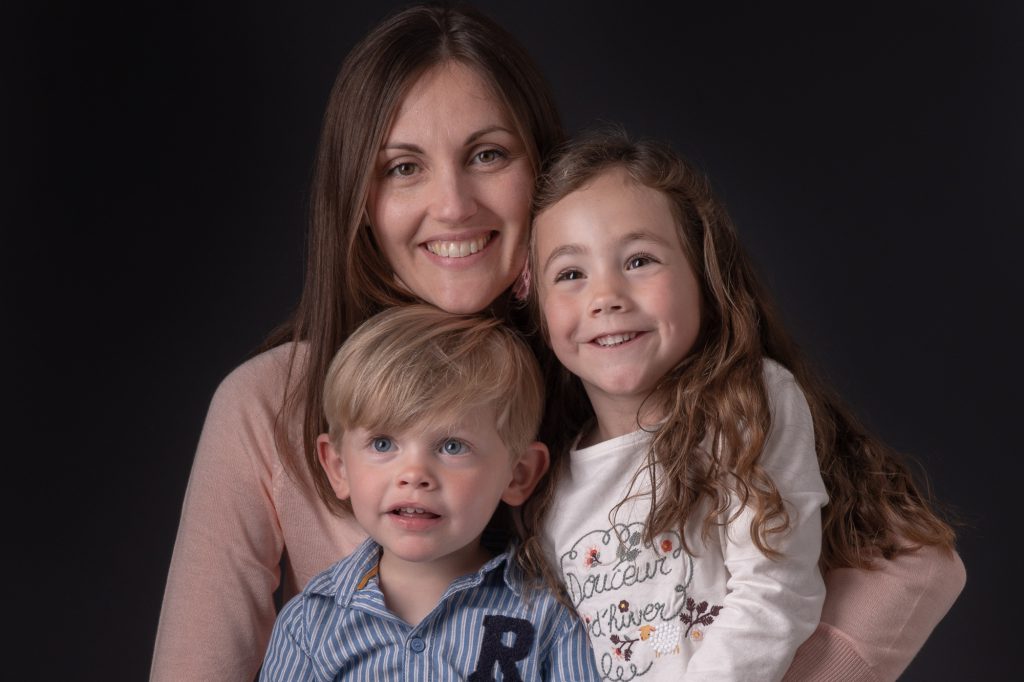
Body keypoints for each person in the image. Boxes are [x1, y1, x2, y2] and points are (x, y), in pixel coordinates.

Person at [151, 5, 964, 681]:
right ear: (358, 201)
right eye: (403, 168)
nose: (453, 203)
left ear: (543, 174)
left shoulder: (613, 363)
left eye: (488, 155)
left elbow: (916, 563)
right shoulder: (267, 406)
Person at [521, 128, 964, 681]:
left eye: (639, 260)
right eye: (570, 274)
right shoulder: (551, 484)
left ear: (703, 275)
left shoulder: (745, 406)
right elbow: (608, 644)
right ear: (537, 306)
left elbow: (775, 592)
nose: (605, 296)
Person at [259, 305, 600, 680]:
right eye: (384, 444)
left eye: (452, 446)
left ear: (517, 475)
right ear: (339, 468)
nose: (414, 475)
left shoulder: (546, 617)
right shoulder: (309, 627)